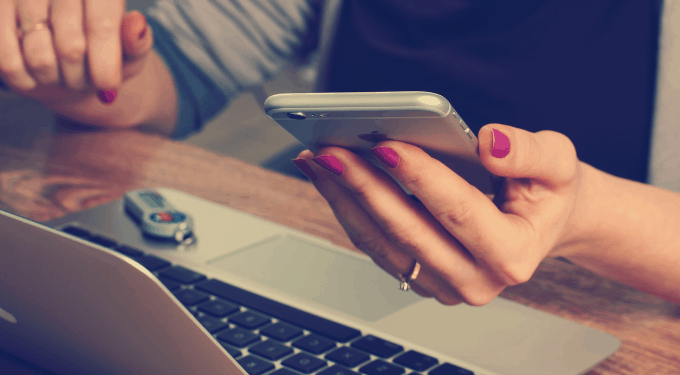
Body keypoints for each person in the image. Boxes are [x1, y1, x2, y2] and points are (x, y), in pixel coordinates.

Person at [0, 0, 678, 306]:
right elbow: (179, 64)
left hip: (617, 320)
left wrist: (588, 213)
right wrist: (84, 64)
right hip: (333, 273)